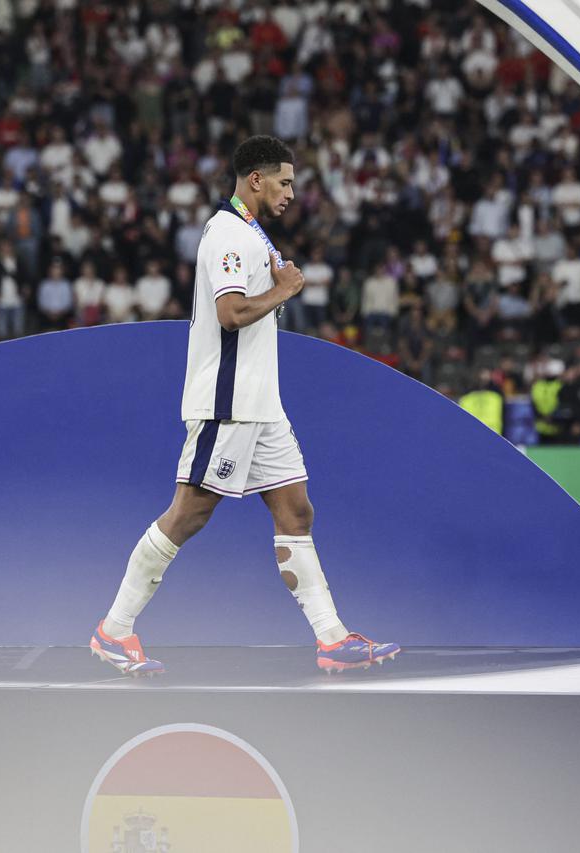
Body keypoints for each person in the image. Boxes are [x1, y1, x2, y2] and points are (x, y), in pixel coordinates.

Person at [91, 135, 399, 675]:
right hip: (228, 402)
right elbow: (231, 313)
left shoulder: (251, 232)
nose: (290, 194)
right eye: (284, 183)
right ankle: (113, 631)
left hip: (262, 404)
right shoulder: (229, 235)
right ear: (255, 179)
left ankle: (332, 640)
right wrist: (285, 290)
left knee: (296, 510)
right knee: (189, 514)